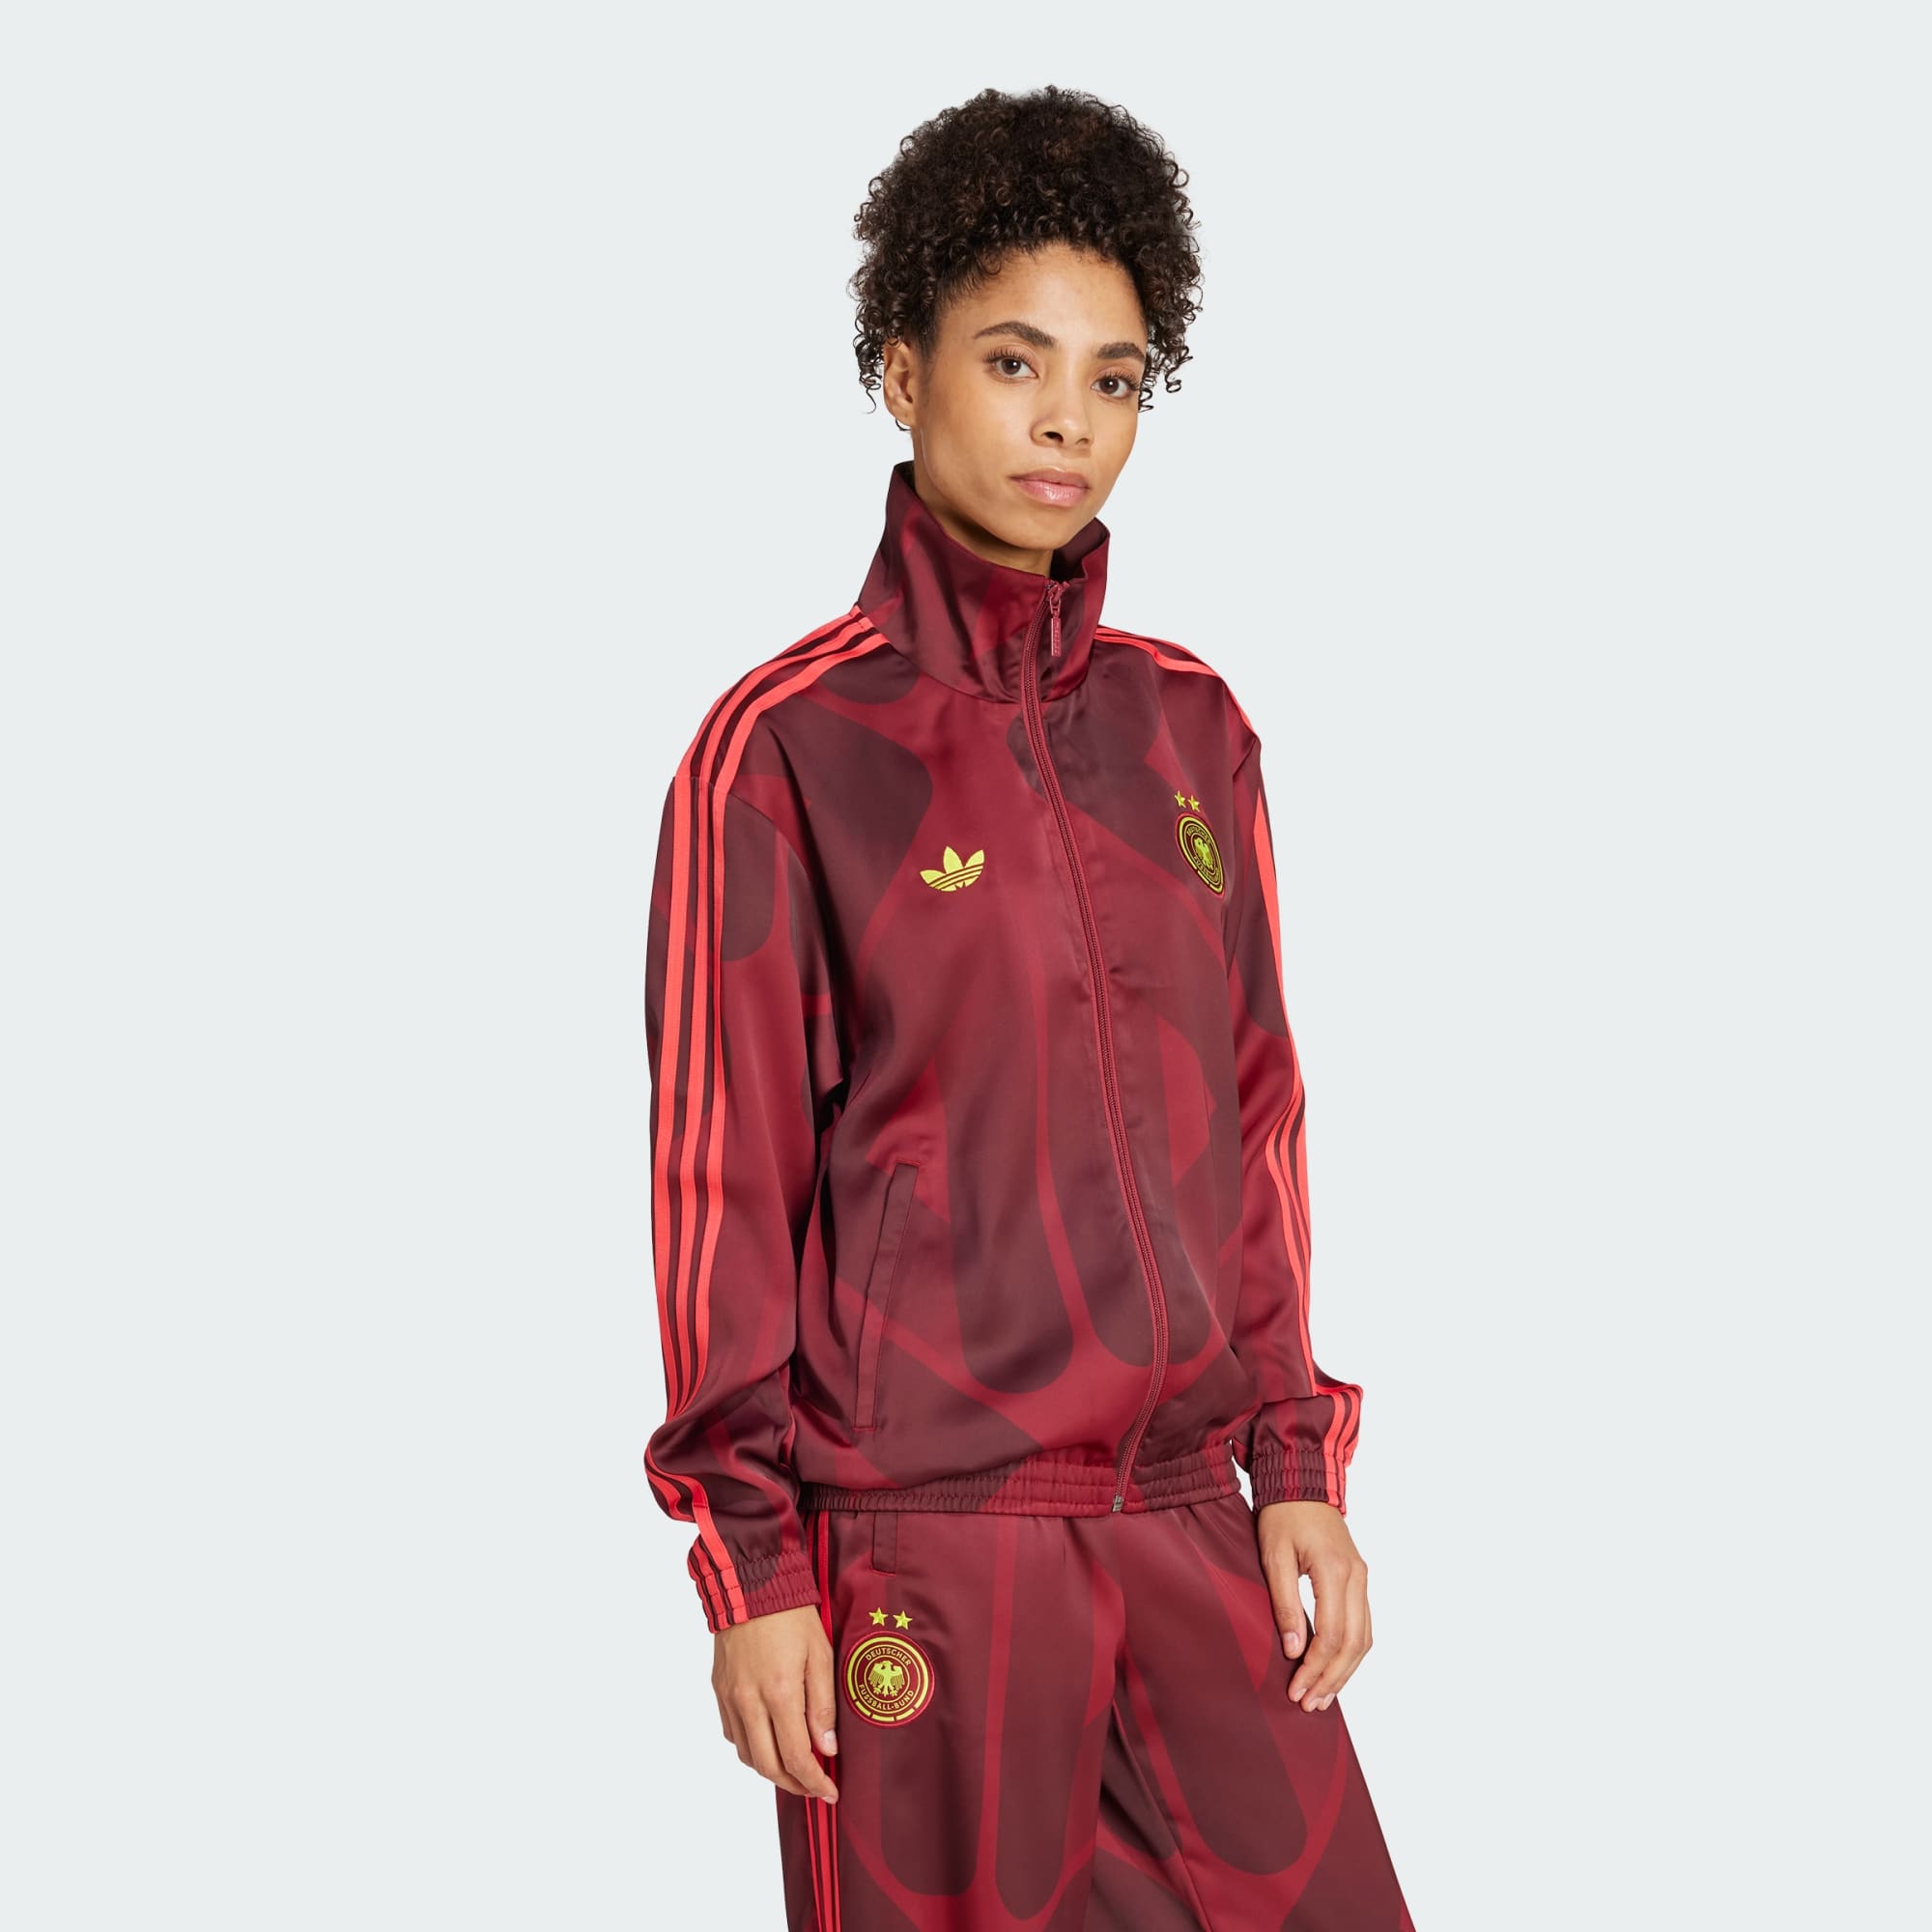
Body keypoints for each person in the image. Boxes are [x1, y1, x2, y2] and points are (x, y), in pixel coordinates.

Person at [643, 83, 1415, 1930]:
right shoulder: (786, 754)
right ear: (901, 372)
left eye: (1116, 376)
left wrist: (1293, 1464)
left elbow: (1257, 1123)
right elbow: (724, 1193)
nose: (1069, 418)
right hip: (928, 1554)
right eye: (1014, 361)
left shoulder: (1191, 731)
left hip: (1190, 1523)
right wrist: (756, 1573)